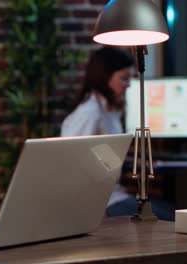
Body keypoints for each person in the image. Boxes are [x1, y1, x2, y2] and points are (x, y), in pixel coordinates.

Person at [60, 46, 174, 221]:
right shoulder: (89, 114)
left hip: (114, 195)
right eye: (123, 79)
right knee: (171, 218)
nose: (129, 84)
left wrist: (132, 161)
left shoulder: (108, 111)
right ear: (104, 78)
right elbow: (71, 166)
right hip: (103, 203)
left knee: (172, 212)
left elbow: (97, 154)